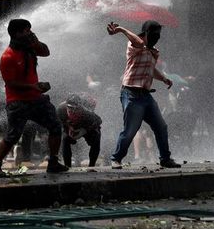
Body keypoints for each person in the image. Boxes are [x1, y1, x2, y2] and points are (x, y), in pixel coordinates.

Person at [0, 19, 68, 177]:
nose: (30, 33)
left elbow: (46, 52)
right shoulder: (7, 56)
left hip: (36, 98)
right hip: (17, 102)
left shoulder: (30, 48)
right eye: (26, 30)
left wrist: (36, 42)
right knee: (13, 134)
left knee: (55, 126)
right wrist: (33, 86)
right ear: (17, 33)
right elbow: (10, 83)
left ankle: (53, 162)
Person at [106, 20, 181, 169]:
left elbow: (151, 70)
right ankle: (116, 158)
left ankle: (165, 159)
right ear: (146, 33)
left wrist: (164, 78)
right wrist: (121, 29)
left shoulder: (154, 52)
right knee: (131, 129)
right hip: (131, 93)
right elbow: (139, 43)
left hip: (146, 96)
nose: (157, 37)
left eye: (159, 35)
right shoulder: (134, 45)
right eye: (154, 34)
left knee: (161, 126)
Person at [57, 93, 102, 167]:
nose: (73, 111)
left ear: (80, 107)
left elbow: (99, 121)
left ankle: (91, 166)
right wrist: (68, 127)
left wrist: (84, 130)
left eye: (75, 108)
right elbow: (59, 122)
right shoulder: (60, 109)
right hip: (71, 126)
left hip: (85, 126)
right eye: (70, 108)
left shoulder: (87, 112)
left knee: (96, 135)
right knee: (65, 139)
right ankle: (67, 166)